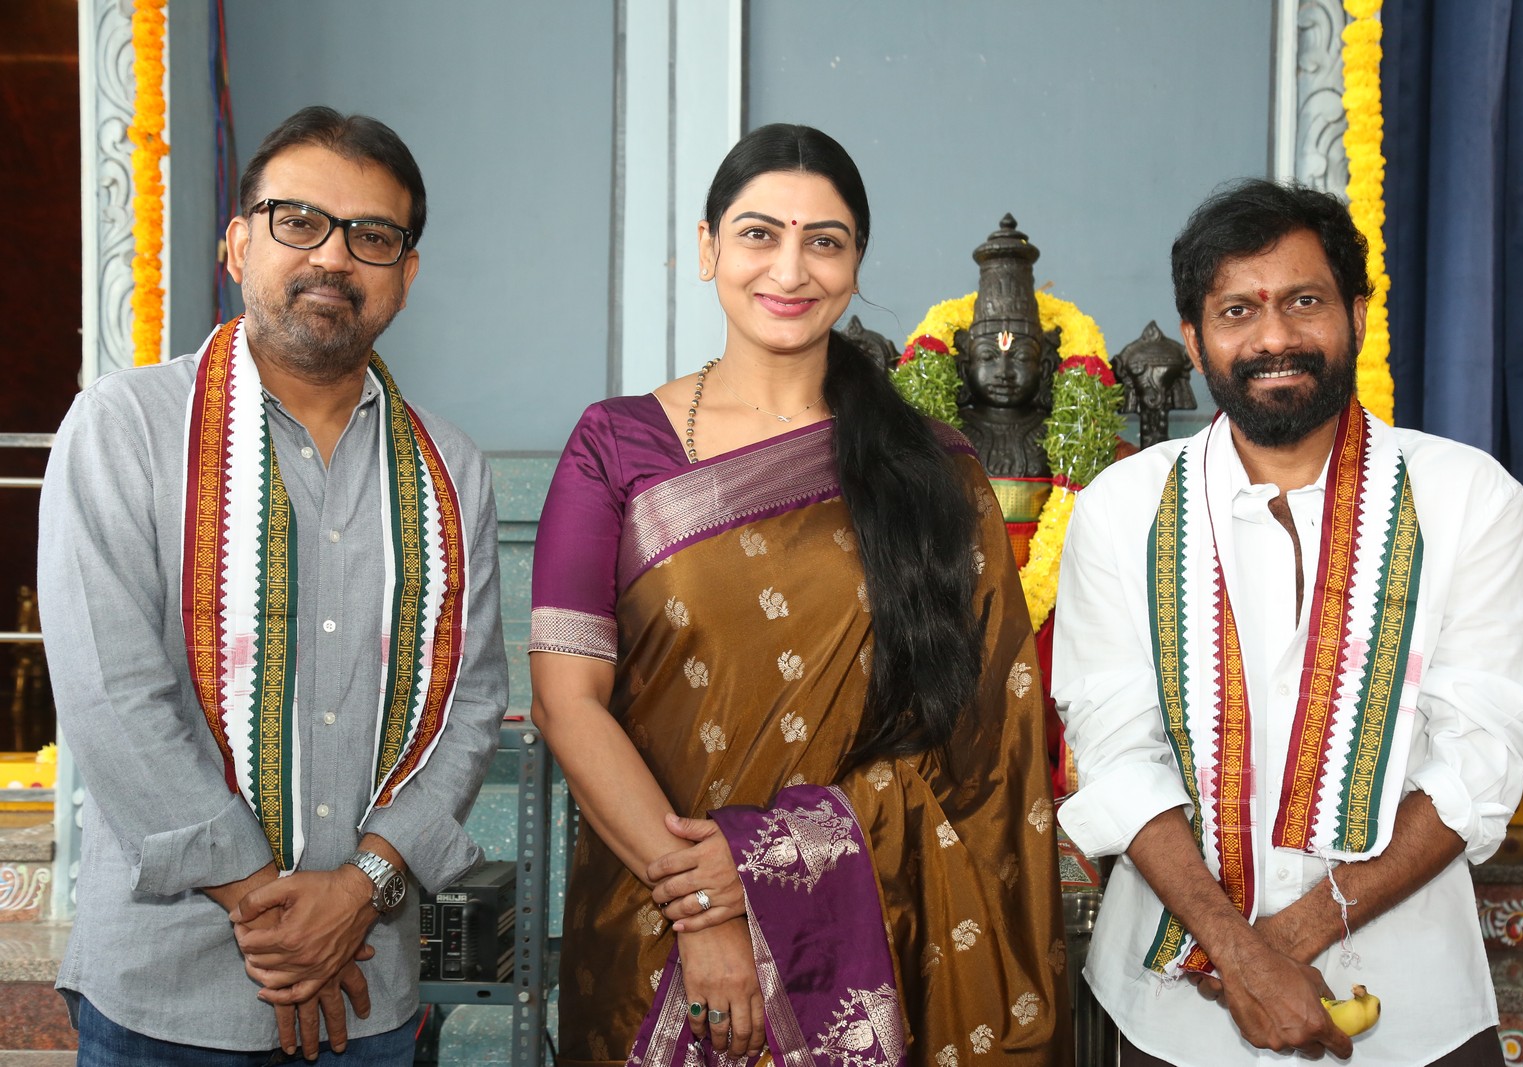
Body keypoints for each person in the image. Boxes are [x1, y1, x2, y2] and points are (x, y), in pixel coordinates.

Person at [529, 123, 1067, 1066]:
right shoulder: (616, 444)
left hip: (874, 936)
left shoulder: (931, 469)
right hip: (655, 928)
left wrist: (765, 869)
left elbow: (982, 742)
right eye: (758, 234)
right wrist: (706, 907)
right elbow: (565, 701)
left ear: (855, 264)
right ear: (708, 248)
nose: (790, 268)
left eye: (825, 240)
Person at [38, 106, 507, 1065]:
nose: (333, 255)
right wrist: (278, 912)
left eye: (372, 235)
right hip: (163, 997)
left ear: (406, 274)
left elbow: (471, 707)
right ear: (238, 243)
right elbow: (110, 694)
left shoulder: (451, 470)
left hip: (367, 997)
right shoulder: (124, 428)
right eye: (299, 221)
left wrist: (360, 891)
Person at [1054, 179, 1523, 1066]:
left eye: (1304, 301)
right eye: (1237, 310)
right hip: (1174, 1010)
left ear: (1356, 315)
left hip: (1411, 1006)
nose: (1274, 337)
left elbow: (1481, 754)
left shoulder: (1468, 496)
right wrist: (1238, 952)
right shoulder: (1120, 510)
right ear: (1196, 339)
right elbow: (1117, 753)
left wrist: (1278, 944)